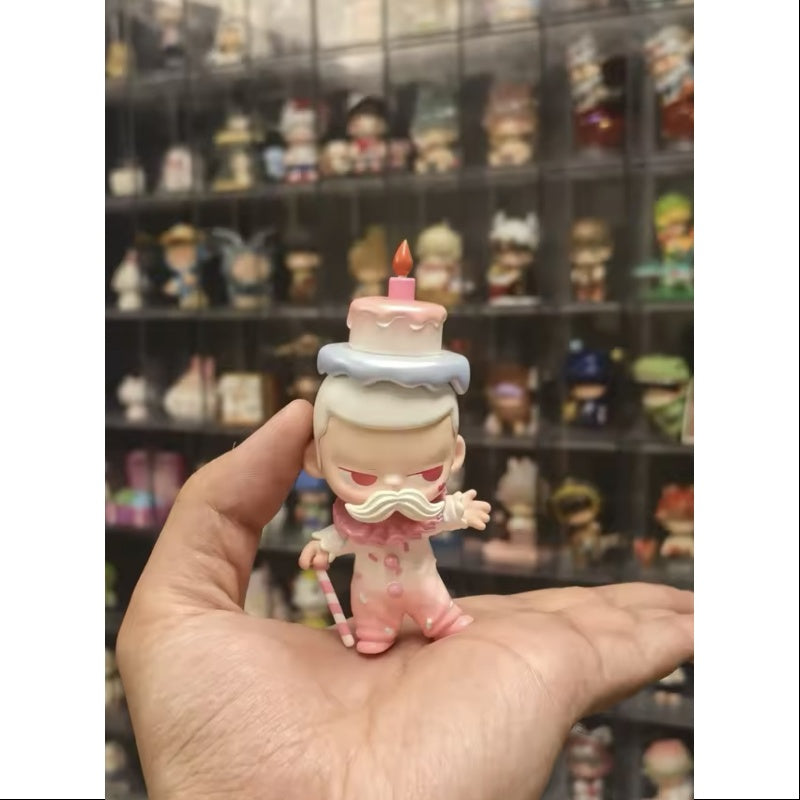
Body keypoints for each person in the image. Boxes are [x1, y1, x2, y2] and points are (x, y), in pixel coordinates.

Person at [116, 400, 694, 800]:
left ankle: (439, 618)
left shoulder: (421, 512)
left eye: (420, 469)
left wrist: (461, 510)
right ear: (317, 461)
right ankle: (378, 632)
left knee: (438, 607)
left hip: (423, 584)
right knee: (373, 625)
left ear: (454, 455)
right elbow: (338, 537)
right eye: (364, 476)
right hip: (370, 596)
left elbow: (440, 514)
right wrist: (322, 545)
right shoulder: (354, 521)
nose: (394, 488)